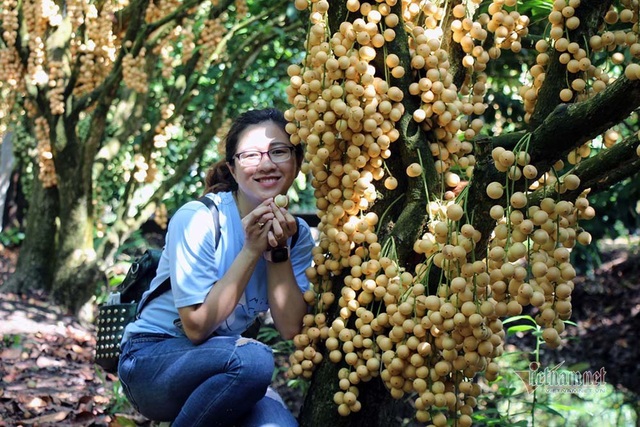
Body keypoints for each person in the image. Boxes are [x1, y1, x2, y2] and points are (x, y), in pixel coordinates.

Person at [117, 108, 314, 426]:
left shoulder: (297, 236)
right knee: (254, 359)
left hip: (225, 370)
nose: (266, 164)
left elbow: (291, 327)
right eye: (250, 155)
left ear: (297, 162)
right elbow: (196, 326)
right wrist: (252, 248)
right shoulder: (199, 218)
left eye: (279, 151)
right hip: (152, 360)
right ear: (233, 170)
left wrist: (276, 250)